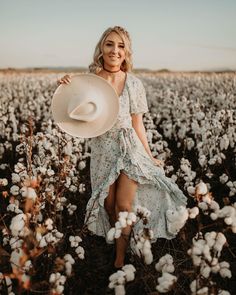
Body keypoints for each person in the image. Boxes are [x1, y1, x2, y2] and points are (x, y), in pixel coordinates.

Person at [57, 25, 188, 270]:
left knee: (123, 205)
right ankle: (122, 240)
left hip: (130, 148)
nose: (115, 50)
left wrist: (149, 156)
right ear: (101, 48)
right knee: (108, 205)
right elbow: (73, 107)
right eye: (109, 44)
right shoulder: (90, 80)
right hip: (102, 148)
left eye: (121, 46)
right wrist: (65, 84)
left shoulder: (134, 84)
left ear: (126, 52)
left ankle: (119, 259)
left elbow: (138, 124)